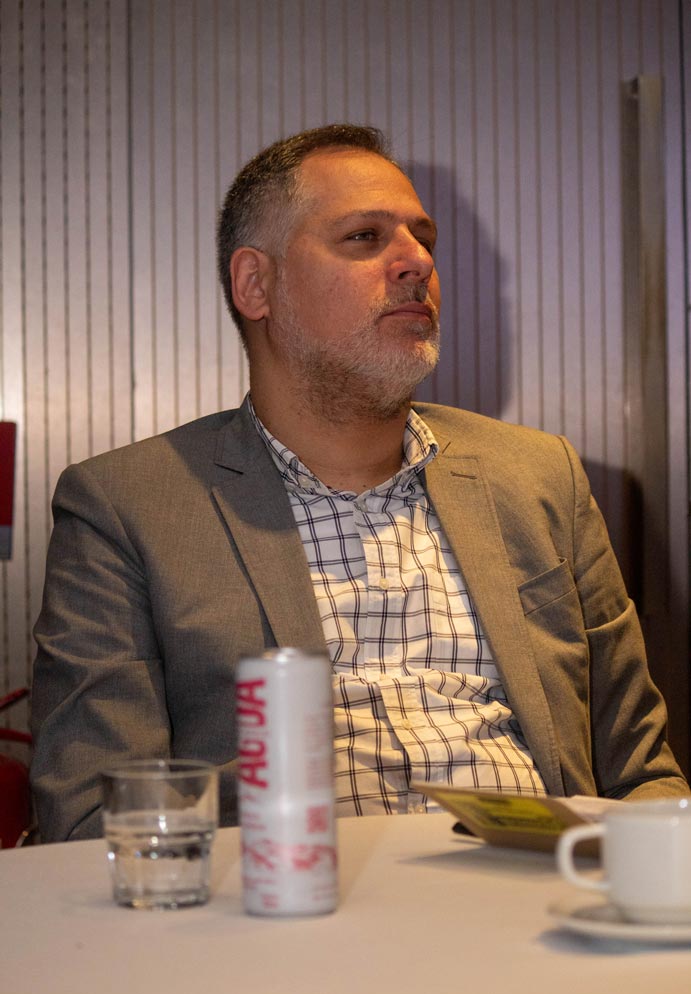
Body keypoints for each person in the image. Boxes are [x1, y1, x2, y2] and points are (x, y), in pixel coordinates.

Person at [30, 124, 688, 842]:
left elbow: (639, 776)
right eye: (364, 238)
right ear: (256, 285)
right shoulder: (127, 506)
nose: (417, 262)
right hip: (280, 901)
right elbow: (95, 822)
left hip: (540, 888)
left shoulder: (540, 478)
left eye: (422, 238)